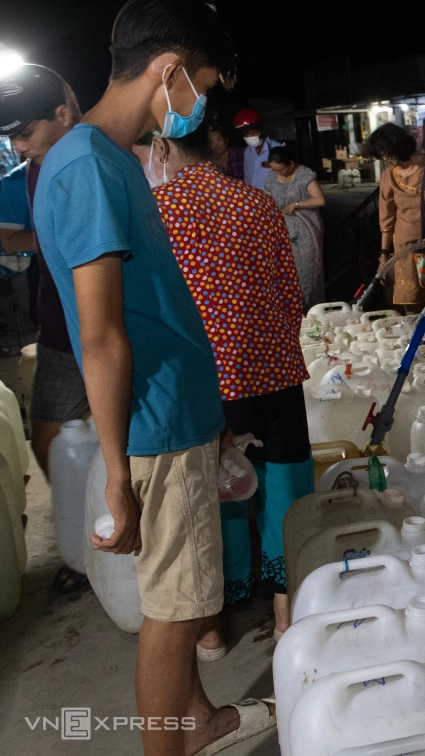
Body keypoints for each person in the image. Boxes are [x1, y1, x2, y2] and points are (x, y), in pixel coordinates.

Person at [31, 0, 275, 755]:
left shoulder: (110, 158)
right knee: (175, 612)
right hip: (155, 426)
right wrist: (116, 475)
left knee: (185, 591)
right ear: (168, 69)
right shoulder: (90, 170)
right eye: (199, 88)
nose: (196, 106)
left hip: (178, 412)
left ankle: (196, 718)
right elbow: (99, 338)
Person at [145, 120, 313, 654]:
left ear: (163, 148)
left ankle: (213, 624)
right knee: (282, 481)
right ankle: (286, 609)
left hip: (205, 384)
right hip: (274, 373)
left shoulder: (158, 211)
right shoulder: (258, 204)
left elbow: (158, 313)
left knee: (206, 496)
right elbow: (292, 296)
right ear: (215, 147)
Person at [0, 63, 92, 594]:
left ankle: (112, 531)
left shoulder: (96, 160)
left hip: (107, 325)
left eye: (27, 135)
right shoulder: (29, 171)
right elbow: (17, 238)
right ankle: (84, 533)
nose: (20, 149)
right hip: (59, 323)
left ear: (63, 113)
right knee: (51, 436)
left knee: (124, 441)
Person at [366, 122, 425, 340]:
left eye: (385, 152)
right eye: (381, 155)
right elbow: (387, 220)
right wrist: (383, 256)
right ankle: (417, 355)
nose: (385, 159)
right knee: (411, 306)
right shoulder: (389, 175)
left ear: (396, 146)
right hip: (404, 250)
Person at [264, 144, 325, 309]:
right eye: (275, 170)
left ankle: (313, 306)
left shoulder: (304, 175)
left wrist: (297, 204)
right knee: (291, 272)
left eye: (281, 170)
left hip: (306, 230)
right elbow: (268, 200)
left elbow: (319, 200)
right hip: (283, 231)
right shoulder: (271, 177)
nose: (278, 173)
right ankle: (296, 309)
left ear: (291, 164)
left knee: (310, 271)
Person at [234, 107, 279, 191]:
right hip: (254, 199)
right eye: (246, 135)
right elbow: (247, 178)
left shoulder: (278, 149)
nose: (249, 137)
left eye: (252, 133)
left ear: (261, 130)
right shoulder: (247, 152)